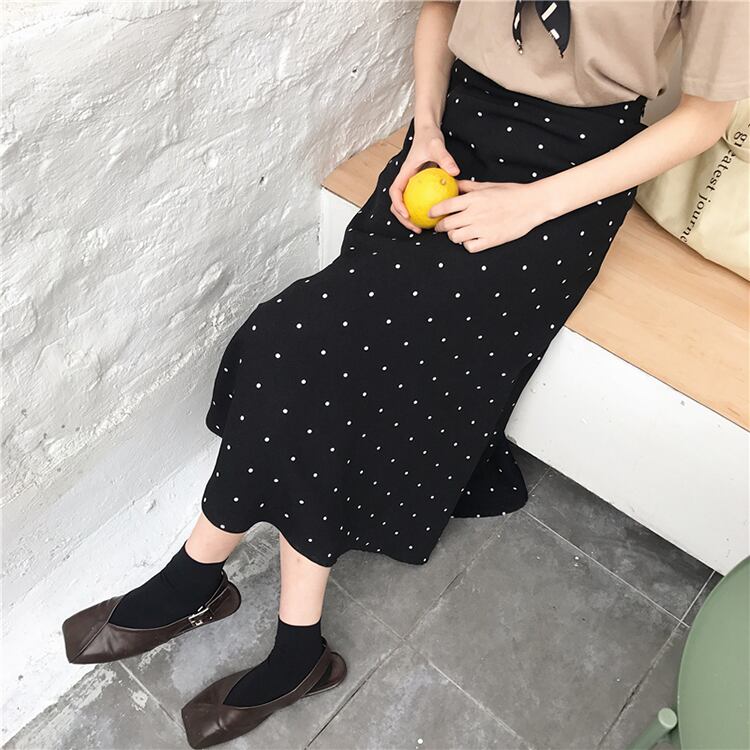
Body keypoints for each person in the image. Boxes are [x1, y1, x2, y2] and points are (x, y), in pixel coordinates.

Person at [61, 1, 748, 747]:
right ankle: (230, 599)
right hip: (454, 136)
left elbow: (704, 118)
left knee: (334, 364)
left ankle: (236, 608)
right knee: (286, 341)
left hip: (571, 177)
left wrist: (533, 206)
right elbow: (440, 8)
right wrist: (424, 133)